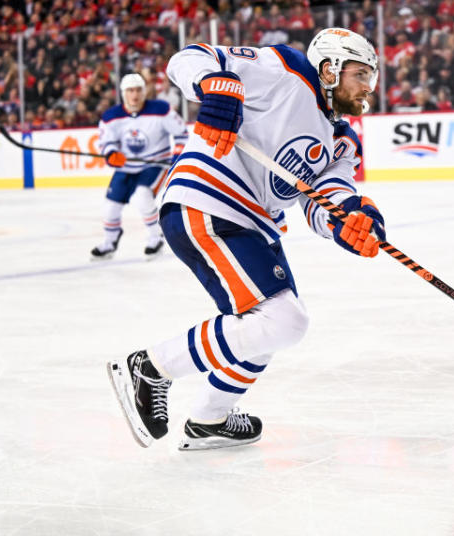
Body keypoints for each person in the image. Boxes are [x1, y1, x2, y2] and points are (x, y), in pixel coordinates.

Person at [107, 29, 385, 450]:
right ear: (329, 68)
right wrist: (216, 86)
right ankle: (152, 367)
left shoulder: (343, 141)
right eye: (360, 74)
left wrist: (352, 220)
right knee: (283, 320)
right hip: (207, 199)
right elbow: (189, 57)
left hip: (253, 222)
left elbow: (326, 200)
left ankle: (209, 418)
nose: (368, 87)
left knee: (266, 327)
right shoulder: (285, 70)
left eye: (371, 77)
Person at [91, 73, 189, 260]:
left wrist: (176, 156)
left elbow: (182, 135)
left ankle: (155, 237)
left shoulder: (161, 109)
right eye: (130, 91)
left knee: (143, 196)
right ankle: (110, 242)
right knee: (111, 207)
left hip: (154, 164)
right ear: (123, 93)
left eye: (138, 90)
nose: (134, 95)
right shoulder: (111, 117)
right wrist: (112, 154)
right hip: (126, 167)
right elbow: (106, 141)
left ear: (144, 92)